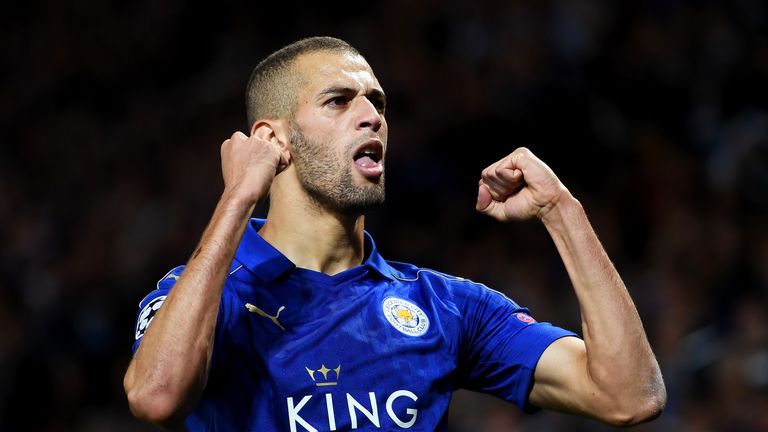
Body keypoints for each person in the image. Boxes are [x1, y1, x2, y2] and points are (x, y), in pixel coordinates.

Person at [123, 36, 666, 431]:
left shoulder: (447, 307)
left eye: (377, 102)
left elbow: (629, 396)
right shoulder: (207, 295)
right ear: (272, 139)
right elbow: (156, 396)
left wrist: (562, 211)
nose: (372, 117)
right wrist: (239, 197)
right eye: (339, 101)